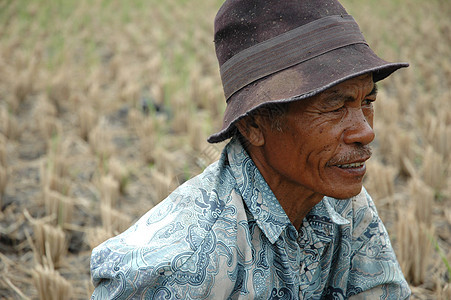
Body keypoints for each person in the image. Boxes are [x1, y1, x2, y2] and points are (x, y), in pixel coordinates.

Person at [90, 0, 411, 299]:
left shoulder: (342, 206)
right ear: (254, 125)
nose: (365, 132)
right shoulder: (184, 266)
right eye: (334, 106)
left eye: (367, 101)